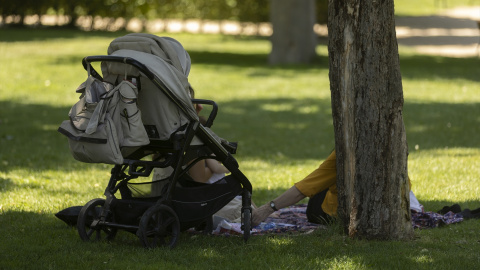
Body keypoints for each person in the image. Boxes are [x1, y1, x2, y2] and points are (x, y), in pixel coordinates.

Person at [252, 150, 416, 226]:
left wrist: (267, 208)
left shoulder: (343, 154)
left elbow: (304, 188)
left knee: (319, 186)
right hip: (396, 209)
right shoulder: (391, 145)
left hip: (336, 213)